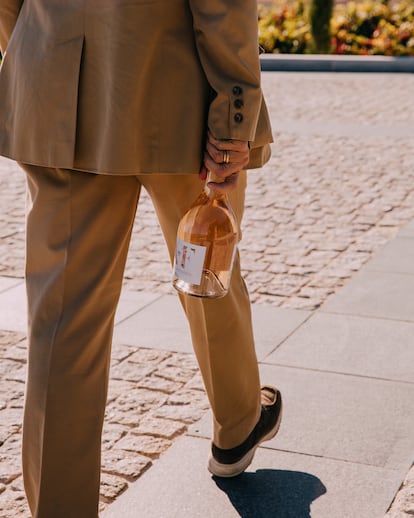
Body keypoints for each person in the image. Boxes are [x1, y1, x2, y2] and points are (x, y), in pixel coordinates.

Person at [0, 1, 282, 516]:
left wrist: (35, 50)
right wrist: (234, 109)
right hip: (177, 91)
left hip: (57, 81)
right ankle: (238, 425)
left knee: (64, 317)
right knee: (205, 261)